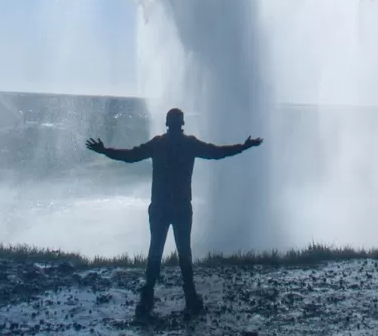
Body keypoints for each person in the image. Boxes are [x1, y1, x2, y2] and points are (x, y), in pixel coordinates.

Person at [86, 108, 262, 318]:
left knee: (155, 251)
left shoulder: (158, 143)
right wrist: (244, 147)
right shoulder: (189, 143)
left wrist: (105, 150)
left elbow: (131, 156)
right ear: (182, 124)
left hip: (160, 207)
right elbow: (217, 153)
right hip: (181, 207)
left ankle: (147, 299)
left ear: (168, 123)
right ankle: (190, 298)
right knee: (184, 252)